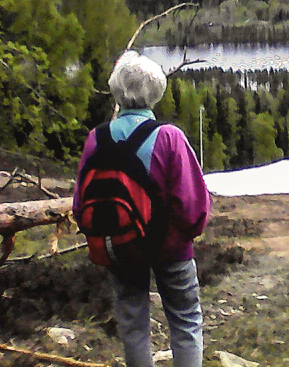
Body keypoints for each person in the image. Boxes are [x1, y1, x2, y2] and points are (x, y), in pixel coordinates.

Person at [72, 51, 211, 367]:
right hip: (171, 249)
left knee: (132, 325)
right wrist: (186, 235)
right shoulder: (169, 137)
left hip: (120, 245)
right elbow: (193, 208)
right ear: (156, 92)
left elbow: (80, 204)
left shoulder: (96, 138)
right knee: (186, 320)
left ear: (116, 91)